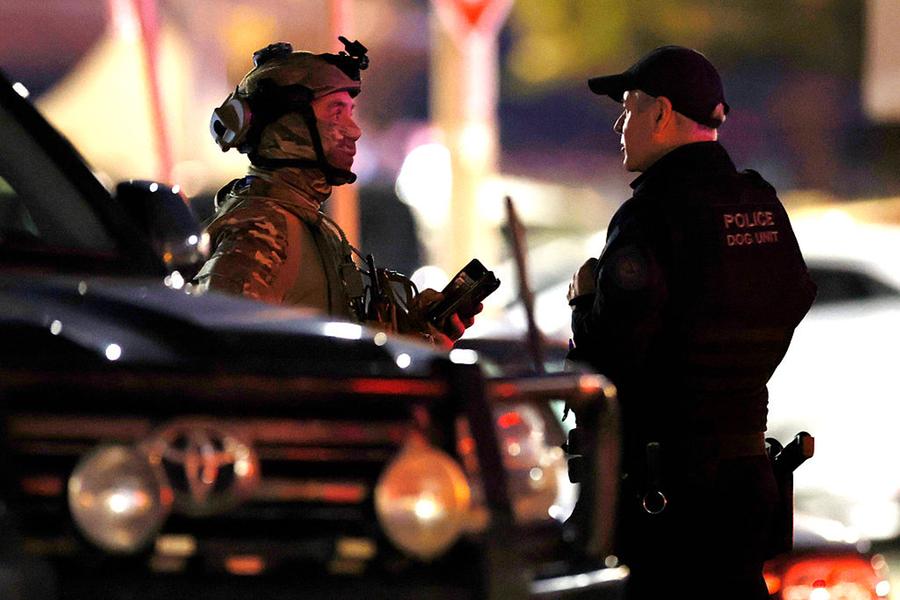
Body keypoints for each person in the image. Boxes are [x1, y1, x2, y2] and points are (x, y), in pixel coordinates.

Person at [566, 46, 816, 598]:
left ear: (660, 113)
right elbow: (795, 297)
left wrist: (584, 300)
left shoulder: (650, 214)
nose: (619, 125)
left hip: (666, 493)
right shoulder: (760, 203)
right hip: (748, 476)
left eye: (628, 108)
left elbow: (610, 354)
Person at [193, 39, 477, 347]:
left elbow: (330, 346)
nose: (354, 130)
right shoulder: (262, 229)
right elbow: (224, 355)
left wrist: (415, 330)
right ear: (291, 125)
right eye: (336, 113)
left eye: (351, 113)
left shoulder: (304, 222)